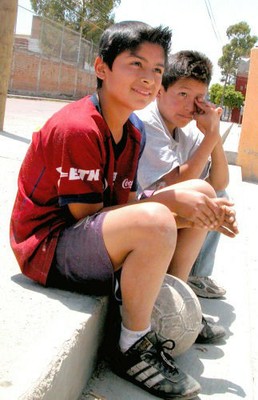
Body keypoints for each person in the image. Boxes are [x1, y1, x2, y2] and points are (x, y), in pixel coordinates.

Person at [10, 22, 238, 399]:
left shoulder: (132, 131)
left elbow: (119, 209)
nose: (148, 79)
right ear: (102, 68)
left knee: (199, 190)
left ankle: (174, 299)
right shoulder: (79, 128)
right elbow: (89, 218)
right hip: (47, 248)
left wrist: (195, 206)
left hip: (83, 237)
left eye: (157, 70)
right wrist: (170, 204)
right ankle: (131, 346)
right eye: (136, 64)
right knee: (160, 216)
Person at [136, 50, 229, 299]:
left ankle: (188, 281)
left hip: (162, 211)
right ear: (160, 91)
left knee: (217, 194)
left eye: (198, 98)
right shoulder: (147, 123)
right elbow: (178, 183)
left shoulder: (185, 130)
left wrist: (214, 134)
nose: (190, 106)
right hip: (135, 209)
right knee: (204, 194)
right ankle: (177, 290)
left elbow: (220, 183)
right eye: (183, 94)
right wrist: (209, 137)